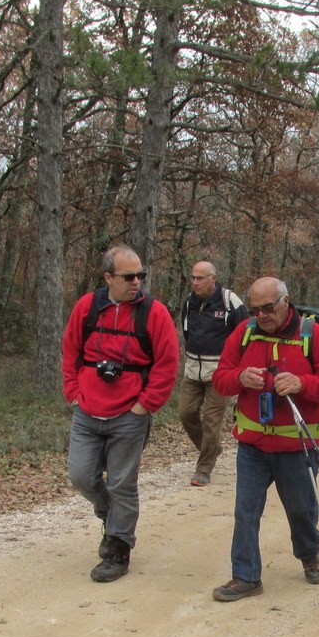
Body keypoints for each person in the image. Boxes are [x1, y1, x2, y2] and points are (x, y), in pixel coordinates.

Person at [210, 277, 319, 601]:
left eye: (268, 308)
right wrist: (239, 378)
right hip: (253, 447)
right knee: (245, 511)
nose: (261, 316)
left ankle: (309, 555)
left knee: (301, 510)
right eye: (255, 309)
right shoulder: (243, 333)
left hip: (296, 447)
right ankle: (246, 576)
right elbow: (220, 380)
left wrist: (302, 383)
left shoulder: (313, 334)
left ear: (286, 301)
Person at [62, 244, 180, 582]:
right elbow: (70, 349)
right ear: (108, 277)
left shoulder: (154, 313)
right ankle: (111, 516)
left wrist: (145, 404)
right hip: (87, 410)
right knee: (81, 477)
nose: (137, 282)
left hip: (130, 414)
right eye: (129, 277)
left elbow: (167, 363)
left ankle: (118, 548)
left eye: (141, 276)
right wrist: (73, 392)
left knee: (122, 483)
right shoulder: (87, 307)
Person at [179, 260, 248, 486]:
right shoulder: (189, 302)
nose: (195, 282)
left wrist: (237, 368)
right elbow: (187, 332)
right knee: (186, 414)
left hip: (219, 372)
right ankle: (212, 449)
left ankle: (204, 468)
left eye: (200, 278)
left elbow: (244, 335)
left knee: (211, 420)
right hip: (192, 370)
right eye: (193, 278)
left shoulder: (230, 302)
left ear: (213, 279)